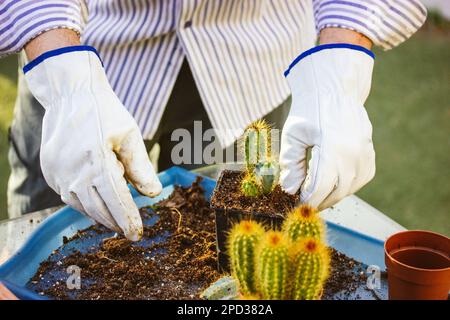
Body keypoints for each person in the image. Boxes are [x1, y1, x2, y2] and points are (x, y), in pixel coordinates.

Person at [0, 0, 427, 240]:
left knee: (221, 243)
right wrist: (62, 72)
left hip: (247, 63)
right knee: (48, 234)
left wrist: (342, 62)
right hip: (85, 53)